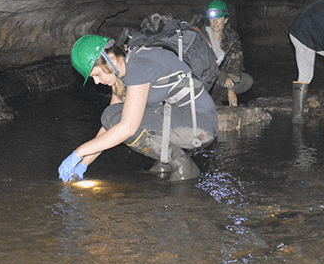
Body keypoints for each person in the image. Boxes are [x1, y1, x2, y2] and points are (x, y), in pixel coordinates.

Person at [57, 34, 218, 182]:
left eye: (96, 75)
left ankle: (183, 165)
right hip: (180, 116)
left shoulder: (138, 67)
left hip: (201, 124)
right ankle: (164, 162)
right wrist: (84, 164)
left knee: (123, 121)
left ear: (111, 59)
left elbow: (127, 127)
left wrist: (78, 152)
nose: (97, 82)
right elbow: (109, 123)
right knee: (110, 115)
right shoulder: (122, 74)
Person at [196, 0, 254, 107]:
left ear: (226, 20)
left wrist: (231, 90)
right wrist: (222, 78)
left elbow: (235, 63)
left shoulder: (232, 37)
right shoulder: (199, 35)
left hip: (220, 80)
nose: (215, 22)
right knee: (211, 81)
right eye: (212, 18)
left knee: (247, 80)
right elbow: (203, 66)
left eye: (219, 18)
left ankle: (217, 99)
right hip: (203, 79)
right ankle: (209, 100)